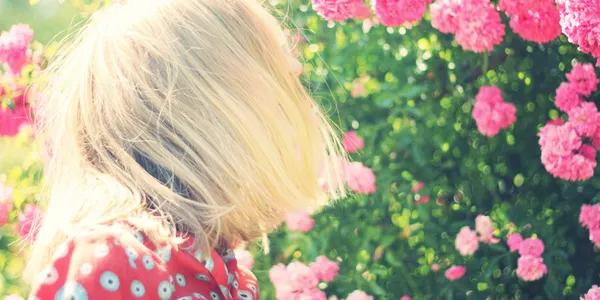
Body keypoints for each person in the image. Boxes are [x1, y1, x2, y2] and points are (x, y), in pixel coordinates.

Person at [25, 0, 346, 298]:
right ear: (207, 103)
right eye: (266, 64)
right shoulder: (115, 262)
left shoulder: (221, 271)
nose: (294, 68)